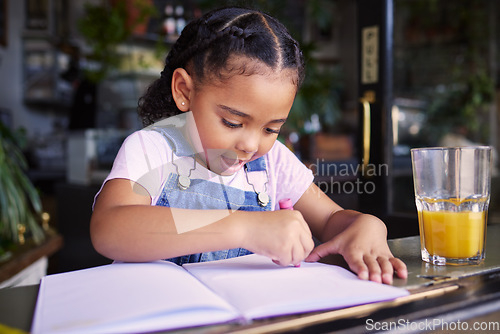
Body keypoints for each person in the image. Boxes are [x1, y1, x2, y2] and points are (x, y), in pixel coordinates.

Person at [90, 7, 407, 284]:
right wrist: (243, 228)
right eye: (232, 122)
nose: (251, 145)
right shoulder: (152, 149)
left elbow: (330, 220)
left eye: (271, 129)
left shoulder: (274, 164)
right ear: (184, 91)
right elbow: (110, 228)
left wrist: (368, 225)